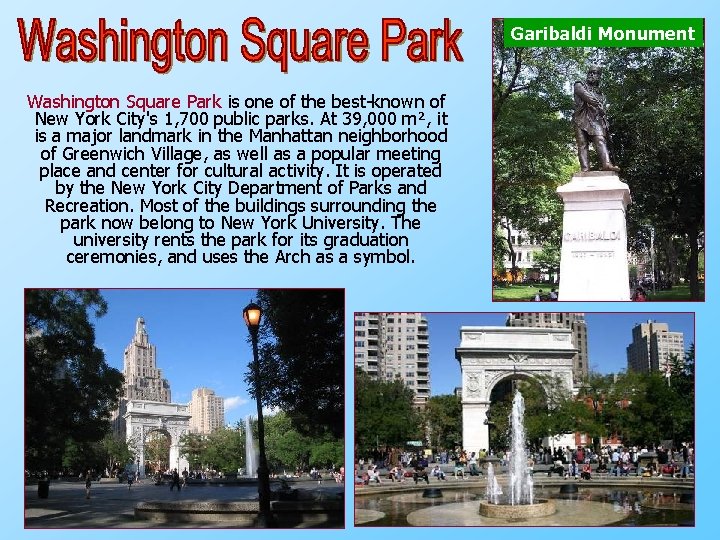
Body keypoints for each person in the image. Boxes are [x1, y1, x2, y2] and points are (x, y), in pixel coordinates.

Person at [573, 65, 620, 172]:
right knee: (582, 144)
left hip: (595, 120)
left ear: (599, 77)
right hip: (580, 118)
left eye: (594, 73)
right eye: (590, 72)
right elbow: (585, 95)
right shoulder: (579, 84)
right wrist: (598, 105)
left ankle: (606, 164)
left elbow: (602, 107)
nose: (591, 74)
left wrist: (603, 111)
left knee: (600, 139)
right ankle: (585, 169)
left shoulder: (600, 93)